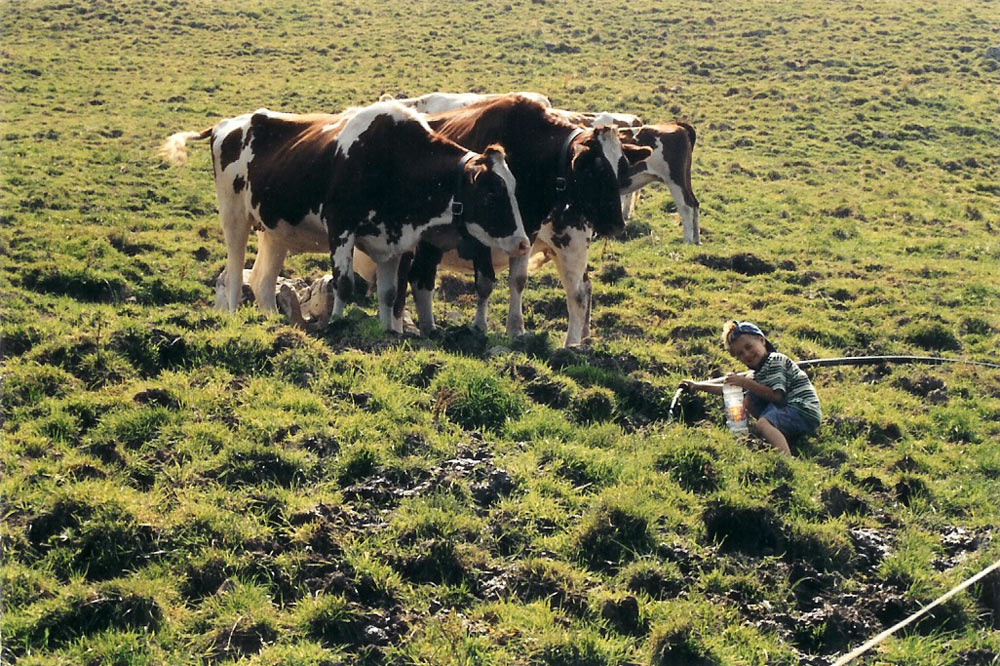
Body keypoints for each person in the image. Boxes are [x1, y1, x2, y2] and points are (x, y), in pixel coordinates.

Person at [681, 321, 821, 455]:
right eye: (740, 353)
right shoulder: (756, 373)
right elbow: (729, 390)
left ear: (762, 341)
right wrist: (697, 386)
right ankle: (781, 435)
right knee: (748, 398)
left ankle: (785, 458)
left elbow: (777, 396)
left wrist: (745, 383)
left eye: (748, 347)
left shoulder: (775, 360)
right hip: (788, 408)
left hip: (802, 409)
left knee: (763, 423)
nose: (746, 354)